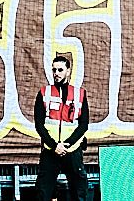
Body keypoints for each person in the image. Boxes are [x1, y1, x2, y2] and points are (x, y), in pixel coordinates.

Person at [31, 54, 87, 201]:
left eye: (60, 70)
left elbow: (84, 124)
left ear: (68, 71)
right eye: (54, 70)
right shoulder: (44, 93)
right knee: (43, 193)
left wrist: (67, 144)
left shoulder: (80, 94)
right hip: (51, 150)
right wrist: (54, 145)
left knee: (79, 192)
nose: (56, 73)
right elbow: (39, 124)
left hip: (72, 150)